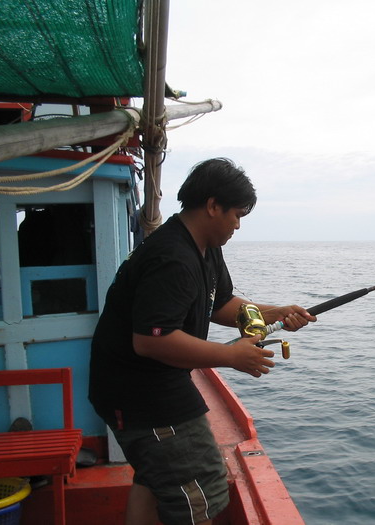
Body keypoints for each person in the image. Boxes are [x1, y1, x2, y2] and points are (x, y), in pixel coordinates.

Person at [89, 158, 315, 525]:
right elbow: (150, 340)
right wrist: (230, 356)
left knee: (154, 477)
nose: (238, 225)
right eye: (236, 215)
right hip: (141, 393)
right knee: (200, 490)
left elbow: (220, 303)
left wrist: (276, 313)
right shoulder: (172, 257)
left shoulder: (205, 246)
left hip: (147, 384)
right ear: (212, 206)